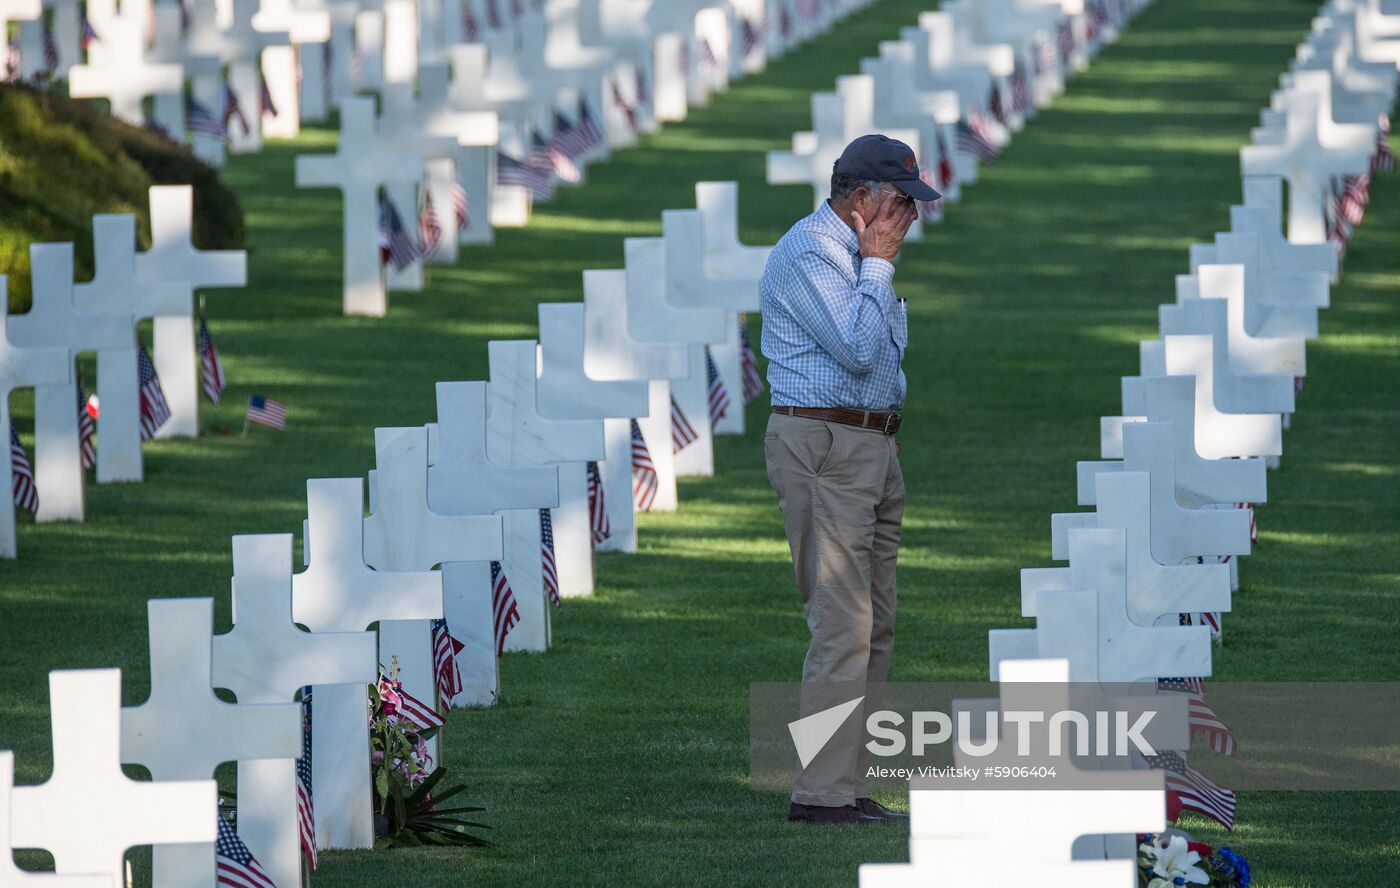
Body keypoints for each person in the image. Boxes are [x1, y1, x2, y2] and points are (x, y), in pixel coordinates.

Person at [760, 134, 933, 825]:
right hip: (825, 441)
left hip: (870, 446)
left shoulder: (860, 259)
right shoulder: (812, 253)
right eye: (900, 204)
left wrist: (876, 267)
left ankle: (848, 781)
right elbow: (860, 350)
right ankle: (820, 793)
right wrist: (879, 267)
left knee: (877, 623)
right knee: (842, 622)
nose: (909, 220)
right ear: (860, 198)